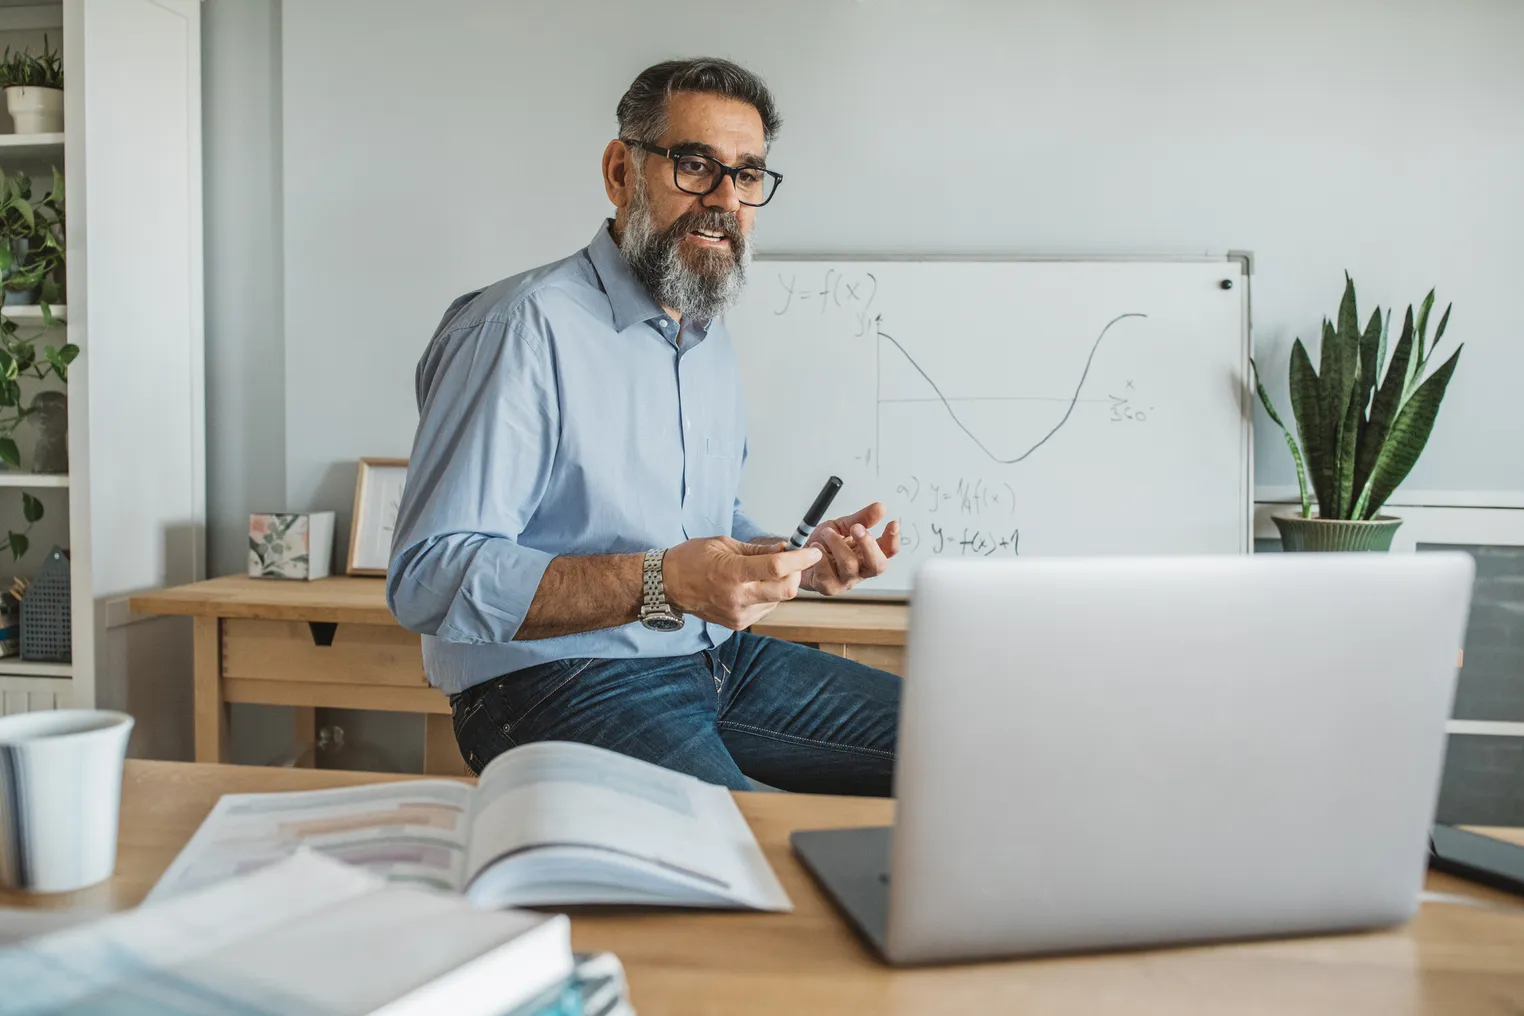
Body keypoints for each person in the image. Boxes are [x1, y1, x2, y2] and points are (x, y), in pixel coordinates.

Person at [387, 58, 901, 796]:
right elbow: (428, 578)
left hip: (716, 660)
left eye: (748, 175)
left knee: (960, 746)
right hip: (552, 681)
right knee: (747, 851)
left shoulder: (703, 330)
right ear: (621, 170)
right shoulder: (518, 329)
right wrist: (665, 583)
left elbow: (700, 522)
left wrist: (796, 561)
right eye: (695, 165)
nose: (725, 198)